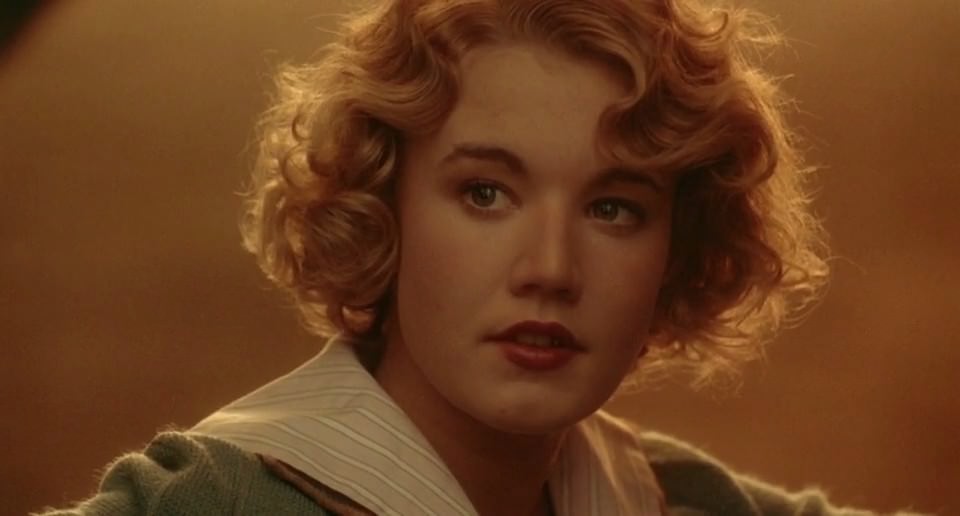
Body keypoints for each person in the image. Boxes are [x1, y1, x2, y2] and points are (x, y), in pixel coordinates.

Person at [37, 0, 912, 515]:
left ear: (676, 250)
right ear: (383, 205)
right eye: (486, 193)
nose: (550, 268)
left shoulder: (675, 500)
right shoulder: (212, 500)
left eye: (613, 208)